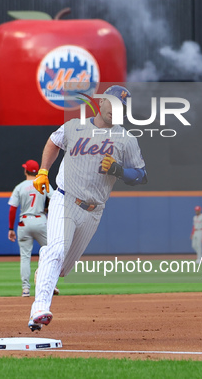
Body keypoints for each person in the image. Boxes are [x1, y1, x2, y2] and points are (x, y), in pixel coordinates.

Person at [27, 85, 147, 331]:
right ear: (101, 102)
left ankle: (45, 267)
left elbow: (141, 175)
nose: (116, 109)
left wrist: (119, 170)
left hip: (94, 211)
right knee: (57, 248)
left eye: (122, 107)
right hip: (65, 198)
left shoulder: (126, 139)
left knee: (62, 269)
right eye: (112, 103)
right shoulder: (74, 126)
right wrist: (42, 171)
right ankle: (39, 309)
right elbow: (53, 141)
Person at [8, 159, 54, 297]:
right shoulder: (44, 184)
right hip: (41, 221)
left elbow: (12, 209)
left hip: (25, 222)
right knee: (51, 254)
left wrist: (11, 228)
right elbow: (55, 199)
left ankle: (26, 289)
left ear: (25, 170)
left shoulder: (20, 187)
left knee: (25, 257)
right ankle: (51, 285)